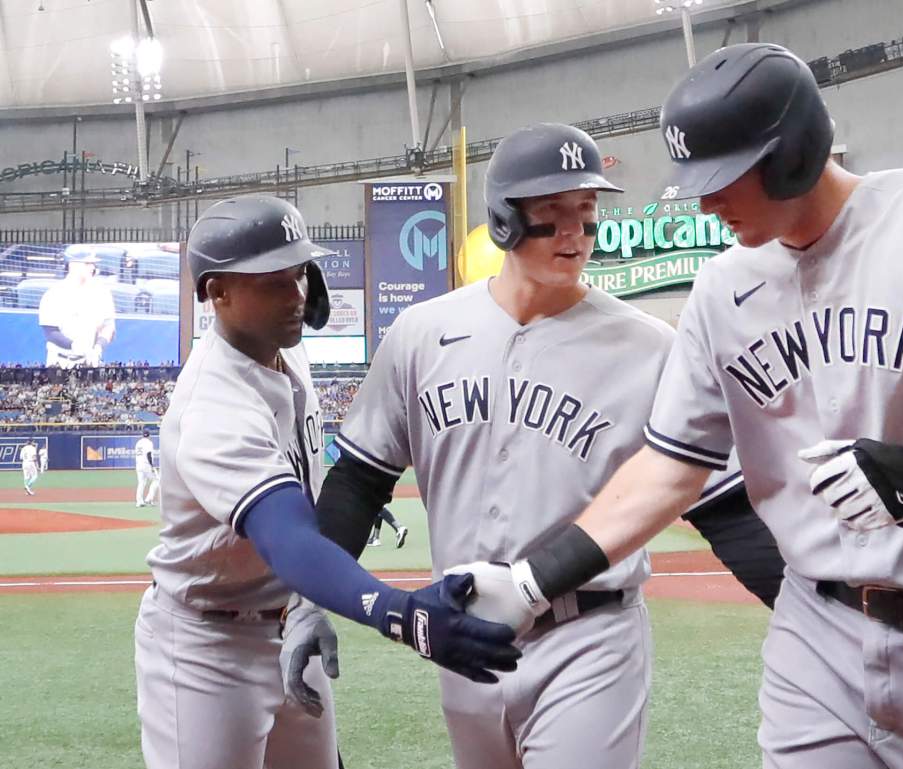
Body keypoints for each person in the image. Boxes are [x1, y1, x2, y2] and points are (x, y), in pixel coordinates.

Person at [450, 44, 903, 769]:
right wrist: (532, 580)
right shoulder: (721, 289)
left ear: (793, 154)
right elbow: (670, 467)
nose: (707, 202)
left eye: (723, 179)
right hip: (817, 635)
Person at [295, 123, 783, 769]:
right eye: (551, 218)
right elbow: (359, 480)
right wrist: (310, 599)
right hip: (463, 635)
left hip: (590, 633)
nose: (574, 235)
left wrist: (815, 617)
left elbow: (723, 507)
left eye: (586, 215)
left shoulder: (648, 347)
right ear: (502, 220)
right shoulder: (423, 332)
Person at [133, 196, 519, 769]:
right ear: (217, 293)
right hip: (206, 647)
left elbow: (305, 476)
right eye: (274, 283)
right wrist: (400, 613)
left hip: (290, 618)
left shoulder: (287, 353)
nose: (296, 297)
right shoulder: (212, 406)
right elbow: (287, 537)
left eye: (299, 275)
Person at [38, 247, 116, 369]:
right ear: (72, 265)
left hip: (90, 361)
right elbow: (50, 332)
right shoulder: (53, 294)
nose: (92, 268)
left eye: (93, 264)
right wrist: (75, 346)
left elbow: (108, 326)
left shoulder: (102, 292)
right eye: (87, 263)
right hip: (59, 361)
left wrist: (98, 347)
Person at [134, 429, 159, 507]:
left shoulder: (138, 443)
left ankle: (139, 502)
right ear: (149, 435)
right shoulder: (149, 442)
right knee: (157, 480)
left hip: (138, 465)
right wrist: (152, 465)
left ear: (142, 435)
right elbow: (148, 454)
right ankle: (149, 499)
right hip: (146, 464)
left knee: (141, 483)